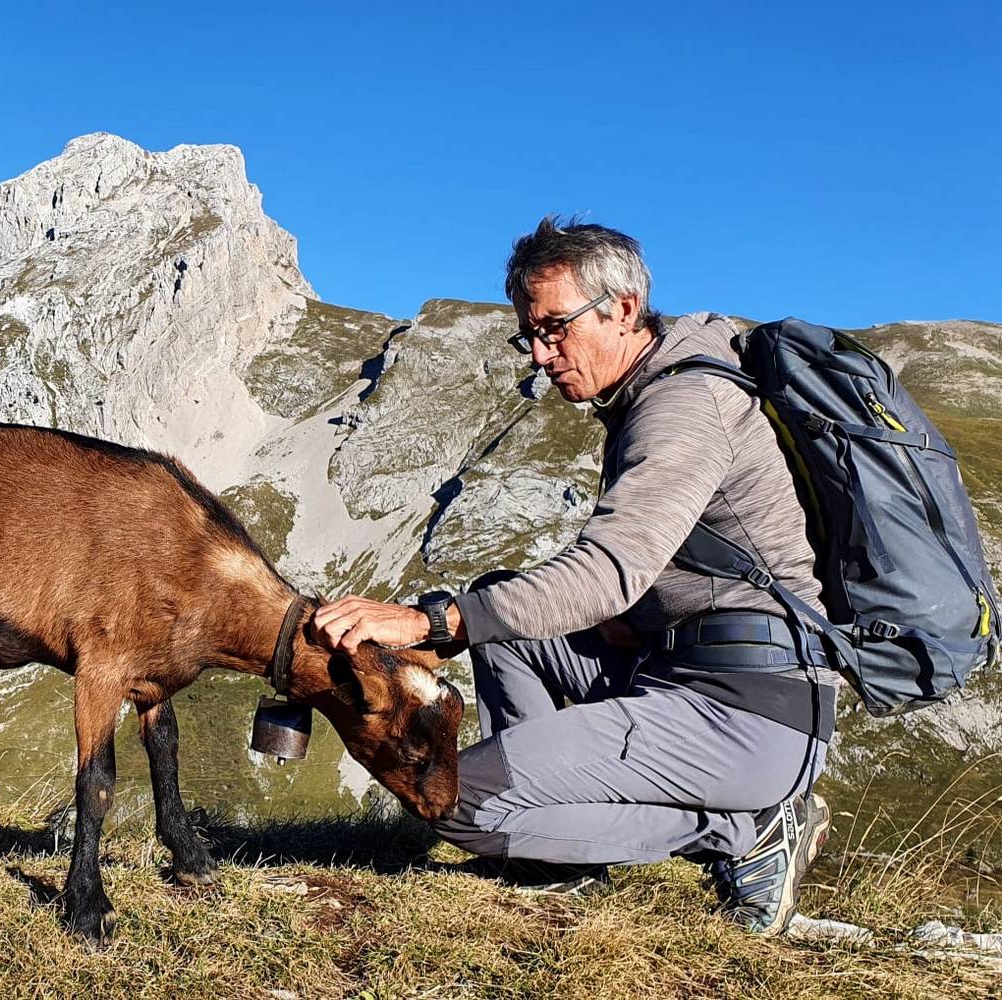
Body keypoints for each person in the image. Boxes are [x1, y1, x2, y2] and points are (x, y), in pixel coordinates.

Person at [313, 217, 836, 936]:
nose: (538, 353)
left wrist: (431, 623)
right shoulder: (649, 393)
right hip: (680, 667)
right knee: (509, 627)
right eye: (527, 333)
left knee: (451, 802)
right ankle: (556, 849)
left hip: (743, 707)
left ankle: (741, 827)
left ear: (622, 308)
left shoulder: (683, 405)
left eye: (556, 327)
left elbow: (607, 573)